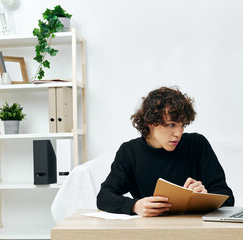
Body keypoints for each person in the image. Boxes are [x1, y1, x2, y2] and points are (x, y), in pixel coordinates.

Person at [97, 86, 234, 217]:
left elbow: (227, 197)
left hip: (194, 228)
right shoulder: (129, 152)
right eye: (171, 125)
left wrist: (205, 197)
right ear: (150, 122)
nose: (178, 134)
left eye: (183, 125)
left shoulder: (197, 144)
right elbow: (103, 197)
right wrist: (135, 206)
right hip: (151, 229)